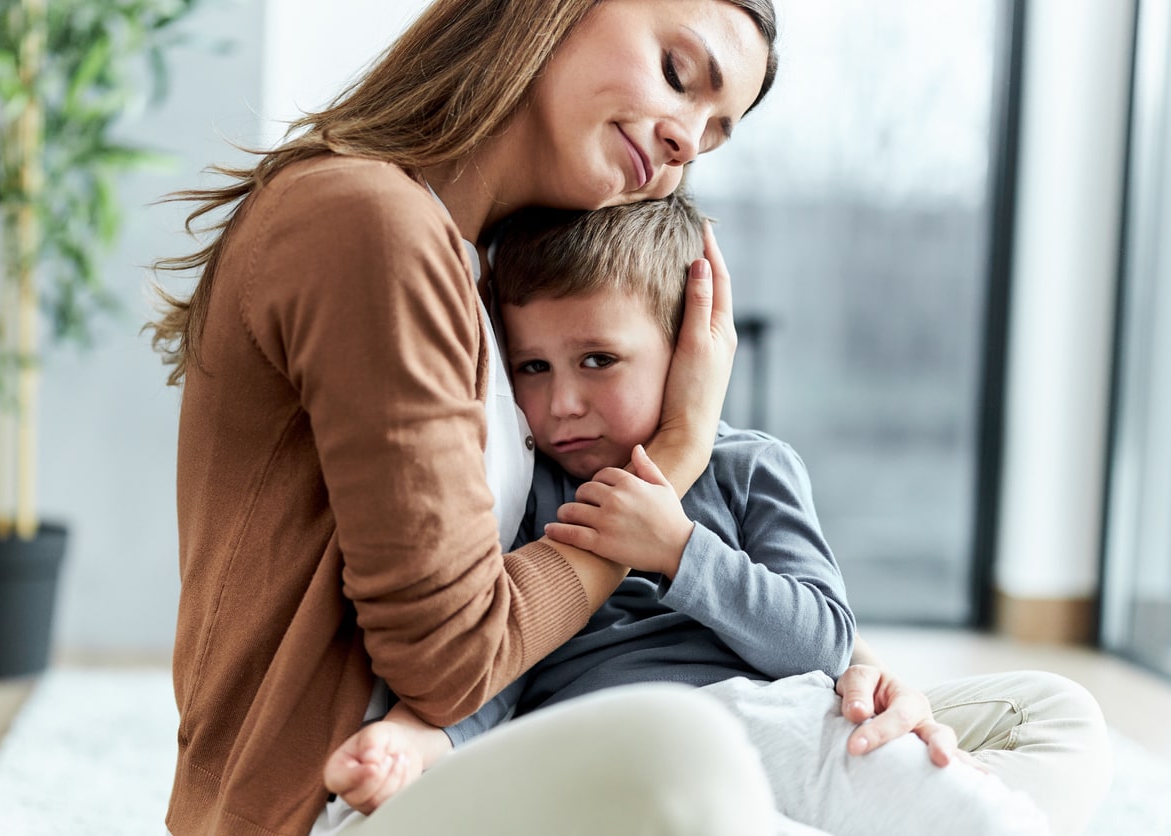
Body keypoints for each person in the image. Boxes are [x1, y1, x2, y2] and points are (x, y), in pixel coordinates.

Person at [147, 1, 1109, 834]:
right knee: (683, 745)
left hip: (616, 730)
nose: (690, 135)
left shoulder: (476, 264)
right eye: (680, 73)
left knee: (1040, 713)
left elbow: (796, 622)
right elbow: (449, 668)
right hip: (339, 803)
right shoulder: (371, 223)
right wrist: (680, 452)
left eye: (717, 127)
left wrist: (849, 673)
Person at [324, 192, 1055, 835]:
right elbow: (500, 663)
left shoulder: (750, 467)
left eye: (598, 361)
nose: (562, 404)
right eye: (533, 368)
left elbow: (823, 644)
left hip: (780, 720)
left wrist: (681, 551)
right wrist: (419, 740)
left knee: (984, 806)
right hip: (615, 743)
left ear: (684, 351)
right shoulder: (527, 492)